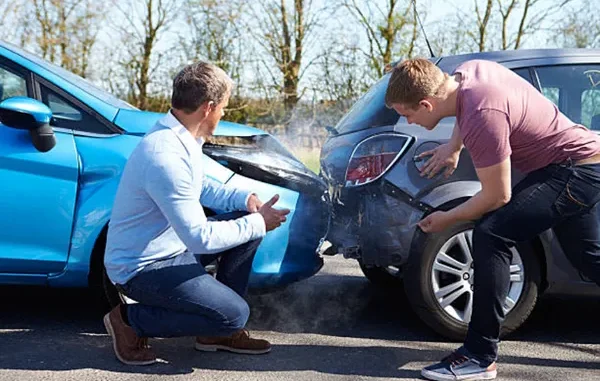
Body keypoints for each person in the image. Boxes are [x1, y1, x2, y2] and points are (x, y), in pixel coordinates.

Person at [385, 58, 600, 381]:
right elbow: (465, 105)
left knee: (491, 234)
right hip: (581, 162)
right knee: (589, 258)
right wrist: (454, 147)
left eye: (408, 114)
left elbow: (497, 196)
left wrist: (448, 218)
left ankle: (479, 355)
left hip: (573, 170)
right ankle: (479, 354)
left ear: (427, 103)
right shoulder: (469, 73)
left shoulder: (482, 115)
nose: (410, 122)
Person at [103, 61, 290, 365]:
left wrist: (247, 200)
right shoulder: (165, 155)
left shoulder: (180, 138)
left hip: (172, 249)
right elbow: (200, 238)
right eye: (224, 108)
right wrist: (258, 222)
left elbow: (201, 187)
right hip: (142, 268)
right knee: (234, 314)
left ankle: (214, 331)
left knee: (246, 230)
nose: (224, 114)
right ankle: (129, 320)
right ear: (208, 107)